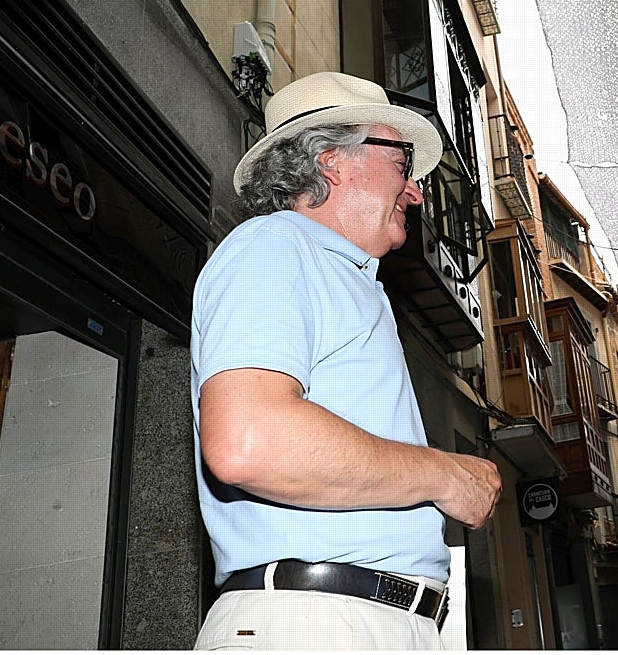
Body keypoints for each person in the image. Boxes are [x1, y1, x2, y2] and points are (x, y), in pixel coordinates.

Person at [189, 72, 502, 650]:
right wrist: (443, 474)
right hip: (319, 624)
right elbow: (249, 441)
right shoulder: (273, 246)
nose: (415, 191)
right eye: (402, 164)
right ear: (332, 162)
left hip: (358, 621)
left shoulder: (344, 276)